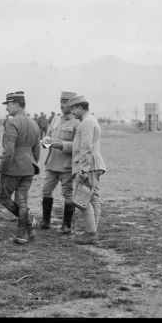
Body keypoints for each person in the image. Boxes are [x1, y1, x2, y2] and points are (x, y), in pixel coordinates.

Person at [0, 91, 41, 244]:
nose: (7, 108)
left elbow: (9, 151)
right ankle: (25, 232)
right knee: (22, 200)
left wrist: (1, 167)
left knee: (3, 198)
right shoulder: (34, 123)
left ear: (16, 104)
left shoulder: (12, 123)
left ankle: (26, 227)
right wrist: (30, 166)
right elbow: (37, 151)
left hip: (12, 168)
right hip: (29, 167)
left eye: (8, 104)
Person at [69, 95, 107, 245]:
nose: (72, 113)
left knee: (83, 197)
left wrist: (83, 170)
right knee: (93, 198)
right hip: (93, 164)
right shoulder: (89, 120)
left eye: (73, 109)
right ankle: (92, 231)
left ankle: (91, 233)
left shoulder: (87, 122)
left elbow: (86, 147)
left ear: (79, 107)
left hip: (89, 165)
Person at [40, 91, 79, 233]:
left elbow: (79, 146)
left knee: (67, 194)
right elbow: (49, 135)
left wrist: (63, 145)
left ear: (73, 103)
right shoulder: (56, 119)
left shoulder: (78, 122)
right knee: (46, 190)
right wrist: (45, 142)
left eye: (66, 102)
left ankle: (67, 225)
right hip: (51, 163)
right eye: (61, 101)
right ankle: (45, 221)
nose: (62, 105)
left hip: (66, 166)